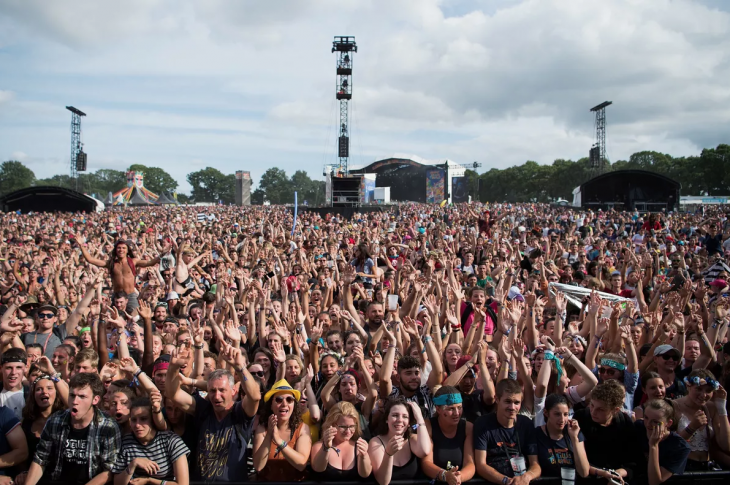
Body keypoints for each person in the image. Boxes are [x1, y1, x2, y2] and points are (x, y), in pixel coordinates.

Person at [166, 343, 260, 481]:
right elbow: (173, 394)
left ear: (233, 390)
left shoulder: (240, 413)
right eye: (212, 391)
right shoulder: (203, 409)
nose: (216, 396)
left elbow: (255, 396)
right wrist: (173, 367)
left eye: (222, 390)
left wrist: (240, 367)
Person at [23, 372, 122, 485]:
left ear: (95, 400)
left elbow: (109, 470)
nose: (75, 402)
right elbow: (40, 459)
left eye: (82, 396)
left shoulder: (108, 426)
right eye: (72, 395)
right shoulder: (56, 421)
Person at [474, 379, 541, 485]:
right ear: (497, 399)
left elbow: (535, 465)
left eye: (517, 403)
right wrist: (507, 481)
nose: (512, 407)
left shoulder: (526, 423)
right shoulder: (483, 424)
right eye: (508, 401)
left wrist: (526, 477)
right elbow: (481, 465)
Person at [111, 397, 190, 485]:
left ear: (153, 420)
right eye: (134, 420)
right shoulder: (126, 442)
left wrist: (150, 480)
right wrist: (133, 464)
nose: (137, 425)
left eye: (143, 419)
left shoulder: (171, 440)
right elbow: (117, 482)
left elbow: (183, 483)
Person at [574, 379, 640, 483]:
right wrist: (601, 472)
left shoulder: (624, 423)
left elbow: (634, 461)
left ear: (615, 410)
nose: (593, 412)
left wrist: (618, 473)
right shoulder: (581, 418)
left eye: (601, 409)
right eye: (592, 405)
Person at [253, 379, 312, 481]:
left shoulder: (302, 428)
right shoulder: (262, 429)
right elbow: (258, 466)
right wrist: (269, 435)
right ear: (271, 405)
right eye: (279, 400)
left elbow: (301, 465)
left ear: (294, 404)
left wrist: (279, 442)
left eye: (289, 399)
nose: (284, 404)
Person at [671, 369, 730, 470]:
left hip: (706, 467)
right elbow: (669, 446)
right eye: (698, 389)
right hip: (682, 466)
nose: (703, 395)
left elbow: (726, 445)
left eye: (708, 391)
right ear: (688, 386)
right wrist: (691, 428)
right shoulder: (673, 407)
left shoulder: (711, 408)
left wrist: (721, 408)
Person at [368, 396, 431, 485]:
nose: (400, 420)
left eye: (405, 416)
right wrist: (388, 454)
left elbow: (424, 451)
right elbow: (383, 481)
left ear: (409, 423)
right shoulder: (376, 442)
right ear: (387, 419)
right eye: (395, 415)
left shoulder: (412, 439)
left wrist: (419, 418)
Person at [421, 385, 476, 485]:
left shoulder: (468, 428)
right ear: (438, 409)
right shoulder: (428, 425)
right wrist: (445, 476)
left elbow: (470, 464)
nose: (457, 413)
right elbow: (426, 463)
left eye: (459, 408)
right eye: (451, 409)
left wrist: (459, 477)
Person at [310, 401, 372, 480]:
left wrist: (363, 455)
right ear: (332, 424)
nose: (348, 431)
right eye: (343, 427)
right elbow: (318, 469)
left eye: (352, 426)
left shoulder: (359, 446)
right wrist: (325, 448)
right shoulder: (319, 446)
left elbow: (365, 474)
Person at [635, 399, 691, 484]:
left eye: (655, 422)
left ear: (668, 423)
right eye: (646, 417)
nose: (648, 424)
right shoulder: (638, 427)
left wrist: (653, 445)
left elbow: (654, 482)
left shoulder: (680, 446)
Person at [535, 394, 589, 480]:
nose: (562, 419)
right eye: (557, 414)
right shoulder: (536, 434)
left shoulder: (575, 433)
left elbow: (584, 472)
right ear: (546, 413)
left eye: (566, 414)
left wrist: (574, 438)